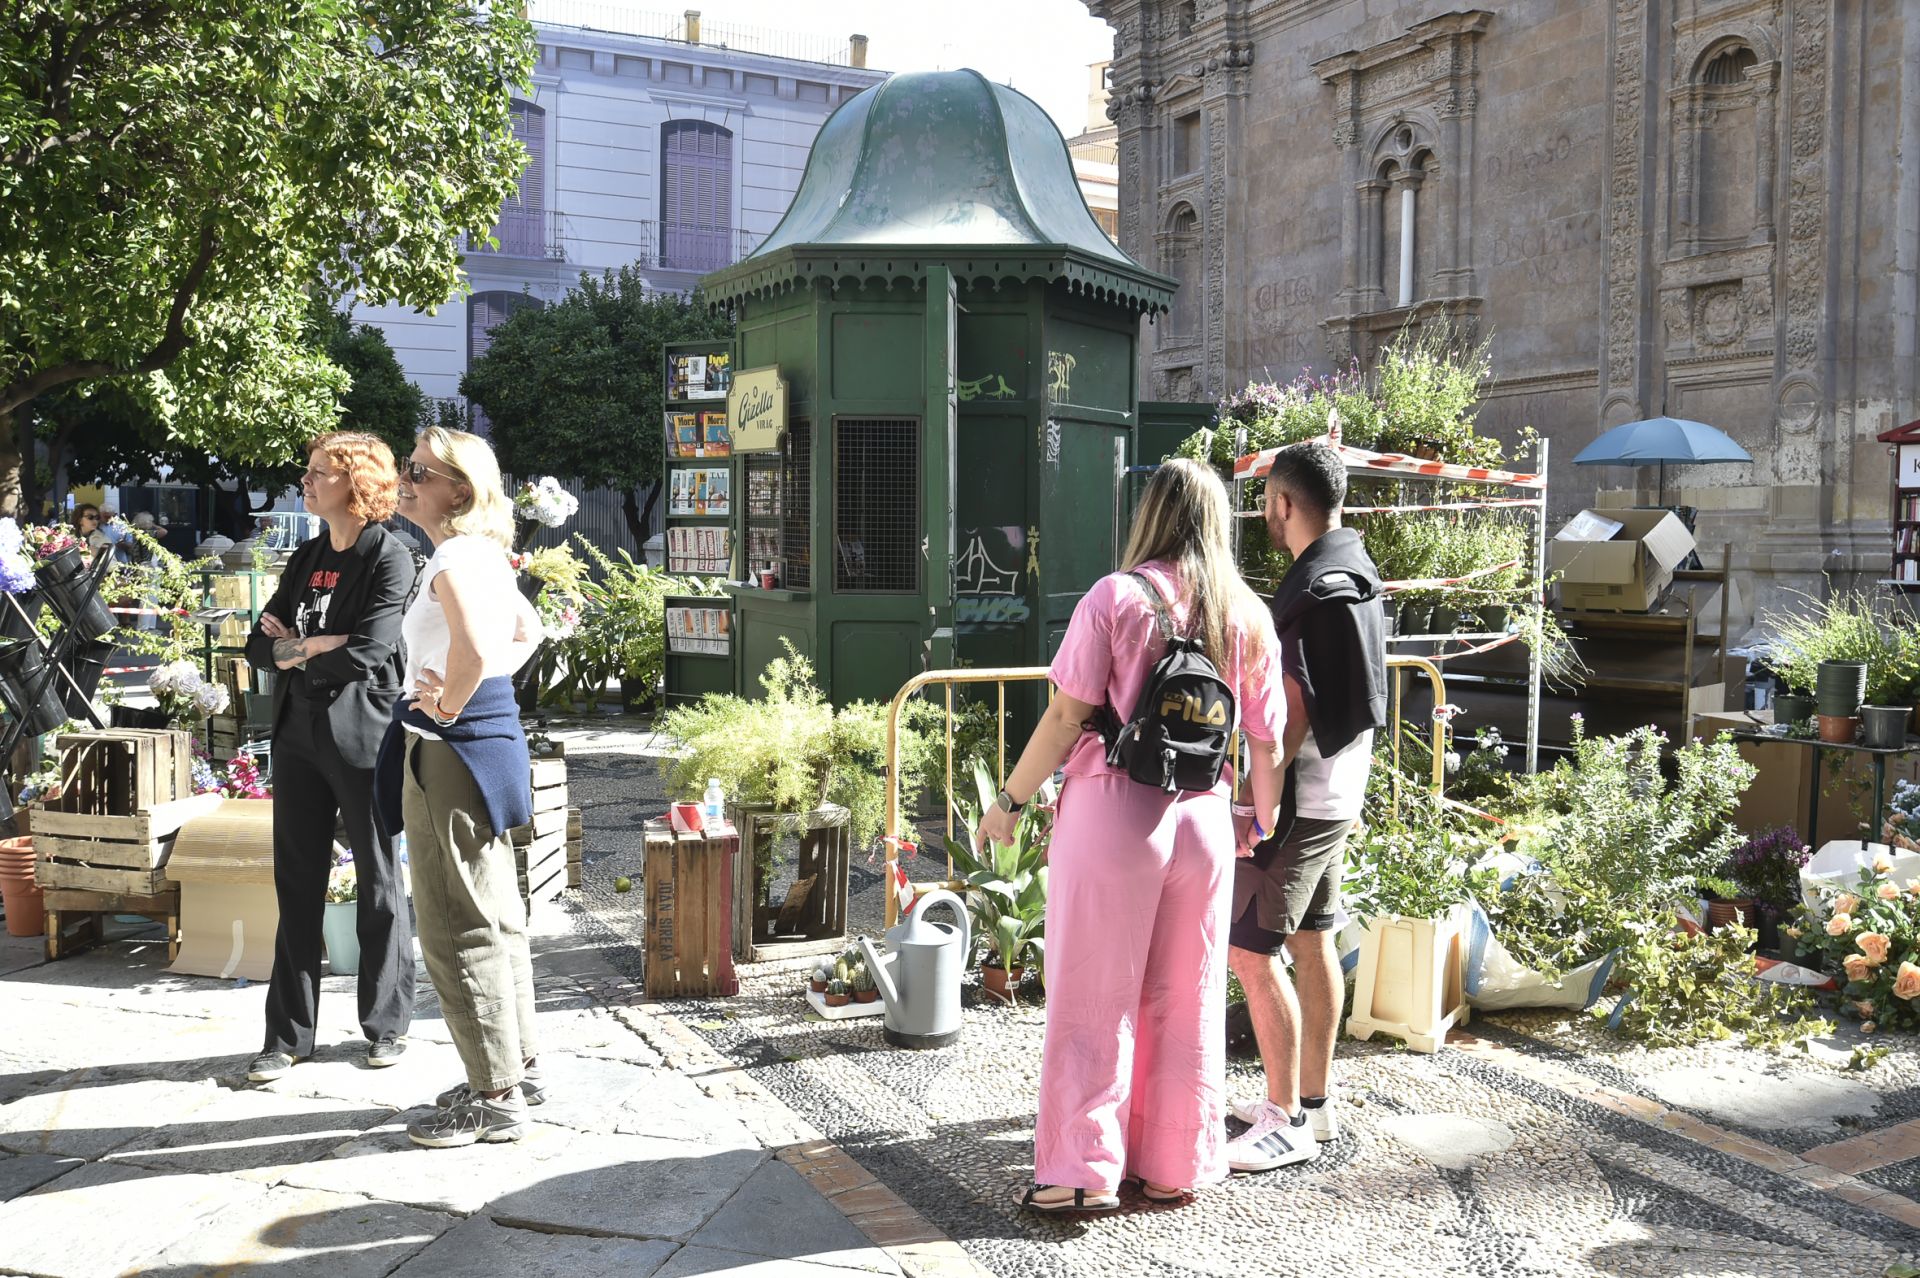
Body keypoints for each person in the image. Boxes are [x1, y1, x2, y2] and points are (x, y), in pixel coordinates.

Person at [977, 458, 1286, 1212]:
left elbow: (1064, 718)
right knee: (1189, 994)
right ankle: (1174, 1164)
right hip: (1206, 820)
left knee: (1093, 992)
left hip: (1116, 813)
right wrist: (1258, 819)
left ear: (1150, 514)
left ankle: (1080, 1175)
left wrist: (1009, 804)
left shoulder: (1116, 597)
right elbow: (1268, 743)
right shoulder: (1246, 613)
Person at [373, 426, 543, 1148]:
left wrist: (446, 702)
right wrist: (469, 689)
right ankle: (514, 1067)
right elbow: (528, 632)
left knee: (452, 924)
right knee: (496, 914)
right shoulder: (482, 555)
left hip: (450, 752)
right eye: (409, 468)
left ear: (460, 490)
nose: (406, 479)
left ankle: (496, 1095)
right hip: (480, 747)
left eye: (420, 470)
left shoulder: (452, 553)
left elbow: (479, 648)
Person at [1223, 441, 1387, 1174]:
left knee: (1250, 953)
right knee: (1314, 940)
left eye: (1267, 499)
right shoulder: (1355, 567)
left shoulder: (1315, 586)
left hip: (1301, 801)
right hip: (1339, 794)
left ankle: (1284, 1116)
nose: (1265, 511)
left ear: (1283, 503)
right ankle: (1314, 1107)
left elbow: (1291, 712)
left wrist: (1254, 801)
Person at [245, 433, 419, 1083]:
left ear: (355, 483)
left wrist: (303, 644)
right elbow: (259, 648)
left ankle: (387, 1025)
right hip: (296, 733)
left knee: (378, 882)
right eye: (309, 473)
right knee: (296, 885)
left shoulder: (390, 559)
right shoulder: (306, 557)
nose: (307, 483)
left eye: (319, 474)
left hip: (361, 737)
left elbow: (369, 652)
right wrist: (313, 647)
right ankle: (287, 1036)